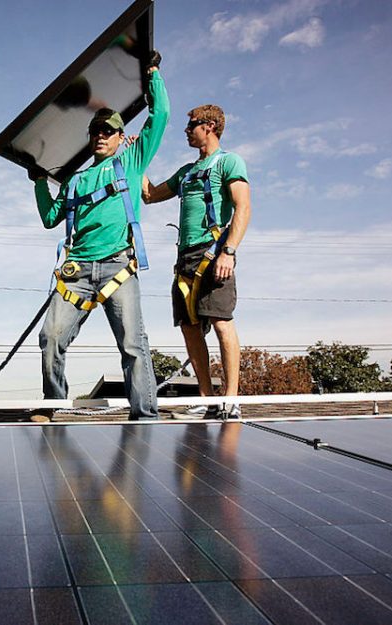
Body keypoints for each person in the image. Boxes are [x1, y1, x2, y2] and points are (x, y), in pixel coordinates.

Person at [29, 53, 168, 421]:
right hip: (77, 273)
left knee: (133, 346)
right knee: (51, 337)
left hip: (118, 267)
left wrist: (152, 74)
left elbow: (161, 117)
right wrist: (41, 181)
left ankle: (144, 416)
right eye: (96, 131)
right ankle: (54, 405)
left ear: (122, 137)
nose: (101, 136)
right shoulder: (75, 180)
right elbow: (50, 218)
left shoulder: (132, 161)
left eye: (109, 131)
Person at [142, 104, 251, 419]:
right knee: (190, 328)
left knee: (221, 323)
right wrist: (136, 158)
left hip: (214, 250)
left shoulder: (228, 162)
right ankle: (206, 398)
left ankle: (230, 400)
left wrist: (228, 251)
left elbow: (243, 207)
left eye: (191, 125)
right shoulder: (186, 171)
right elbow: (149, 194)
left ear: (211, 126)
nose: (186, 131)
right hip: (184, 258)